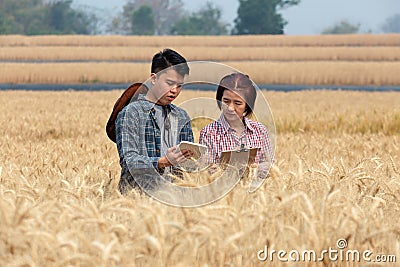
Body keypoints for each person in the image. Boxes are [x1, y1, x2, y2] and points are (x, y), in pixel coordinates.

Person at [115, 48, 193, 194]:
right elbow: (128, 161)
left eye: (179, 85)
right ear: (154, 78)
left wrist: (204, 165)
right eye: (169, 83)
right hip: (138, 197)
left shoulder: (182, 116)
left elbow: (187, 163)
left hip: (176, 198)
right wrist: (163, 161)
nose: (174, 90)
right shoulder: (131, 114)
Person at [199, 72, 273, 183]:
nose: (230, 108)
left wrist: (254, 169)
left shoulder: (259, 130)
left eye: (237, 103)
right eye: (226, 101)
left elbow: (270, 165)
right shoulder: (209, 132)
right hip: (222, 195)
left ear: (247, 106)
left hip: (255, 194)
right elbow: (205, 171)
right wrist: (216, 170)